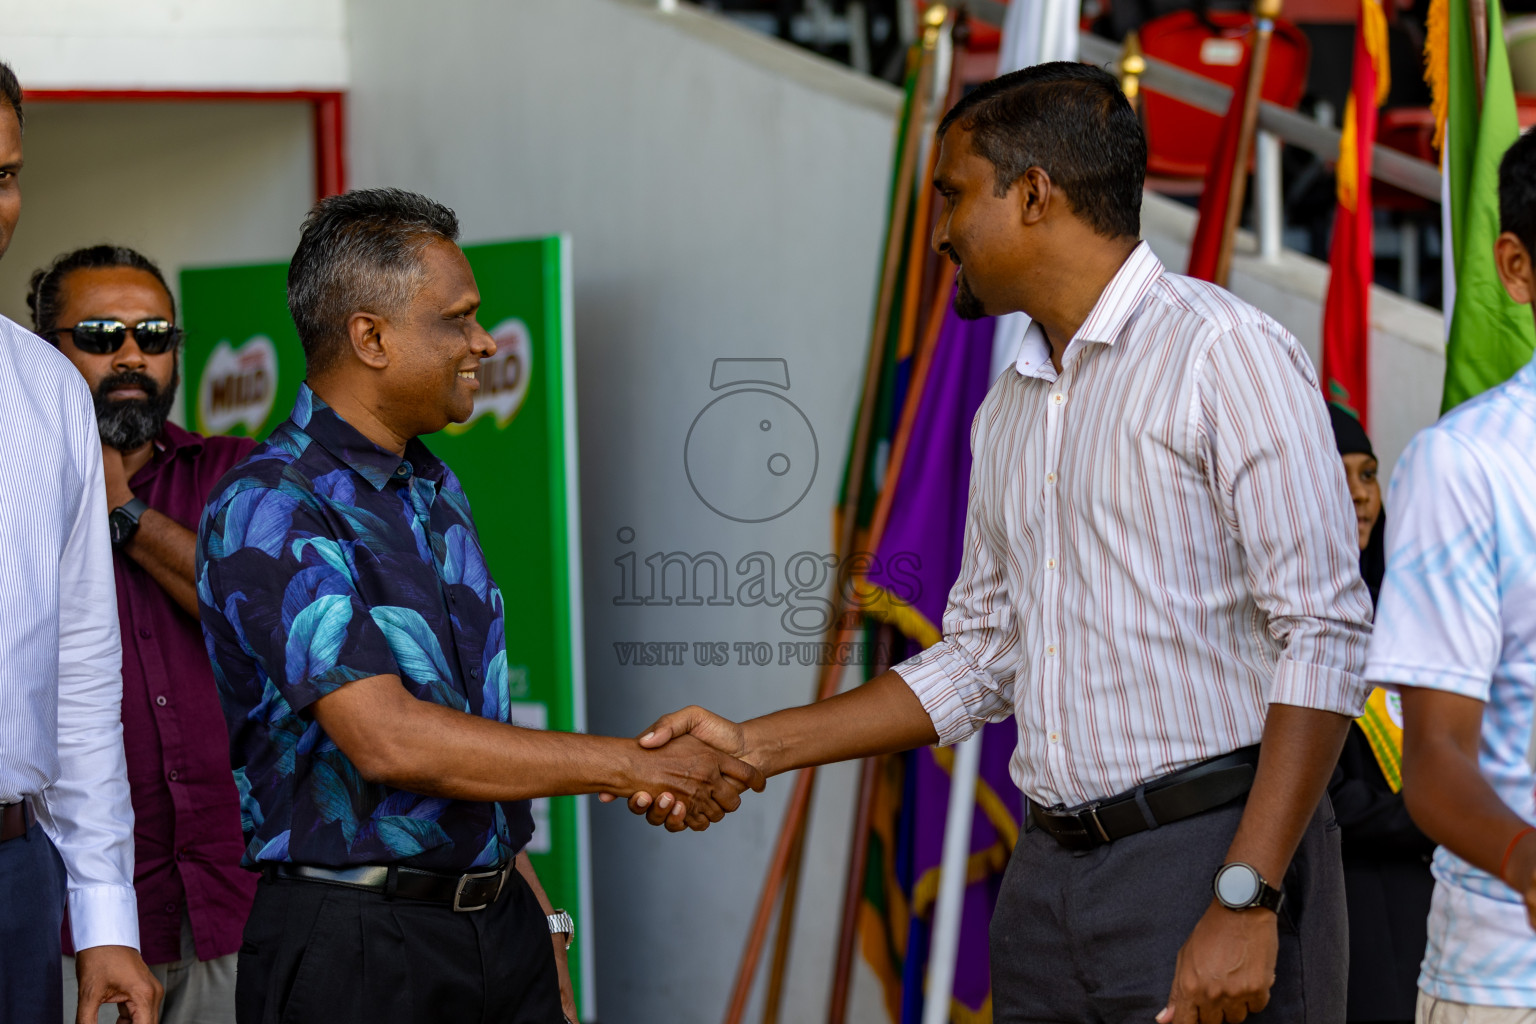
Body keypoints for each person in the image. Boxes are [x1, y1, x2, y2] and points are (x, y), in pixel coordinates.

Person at [622, 62, 1374, 1023]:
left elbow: (1326, 635)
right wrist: (754, 747)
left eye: (953, 195)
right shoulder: (1010, 406)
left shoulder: (1224, 352)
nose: (940, 232)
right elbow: (980, 659)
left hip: (1214, 857)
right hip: (1046, 883)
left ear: (1032, 195)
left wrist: (1247, 895)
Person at [196, 187, 765, 1024]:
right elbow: (389, 739)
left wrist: (536, 919)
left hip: (496, 924)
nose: (483, 341)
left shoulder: (433, 484)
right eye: (457, 318)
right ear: (371, 336)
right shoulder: (269, 503)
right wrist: (637, 763)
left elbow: (468, 742)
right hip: (356, 946)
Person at [30, 245, 259, 1024]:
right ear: (42, 349)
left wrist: (123, 510)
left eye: (154, 335)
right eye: (99, 334)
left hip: (235, 901)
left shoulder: (238, 475)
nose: (131, 354)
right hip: (69, 919)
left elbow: (264, 619)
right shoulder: (14, 488)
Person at [0, 60, 162, 1024]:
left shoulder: (45, 389)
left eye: (4, 176)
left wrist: (106, 919)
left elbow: (81, 671)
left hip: (14, 879)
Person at [1369, 129, 1536, 1023]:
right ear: (1515, 267)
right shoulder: (1465, 465)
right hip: (1510, 983)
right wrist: (1524, 859)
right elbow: (1431, 760)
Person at [1327, 405, 1435, 1024]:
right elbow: (1326, 797)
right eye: (1338, 474)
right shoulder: (1274, 624)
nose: (1361, 495)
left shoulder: (1400, 617)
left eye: (1368, 475)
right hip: (1344, 904)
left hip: (1420, 895)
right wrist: (1436, 814)